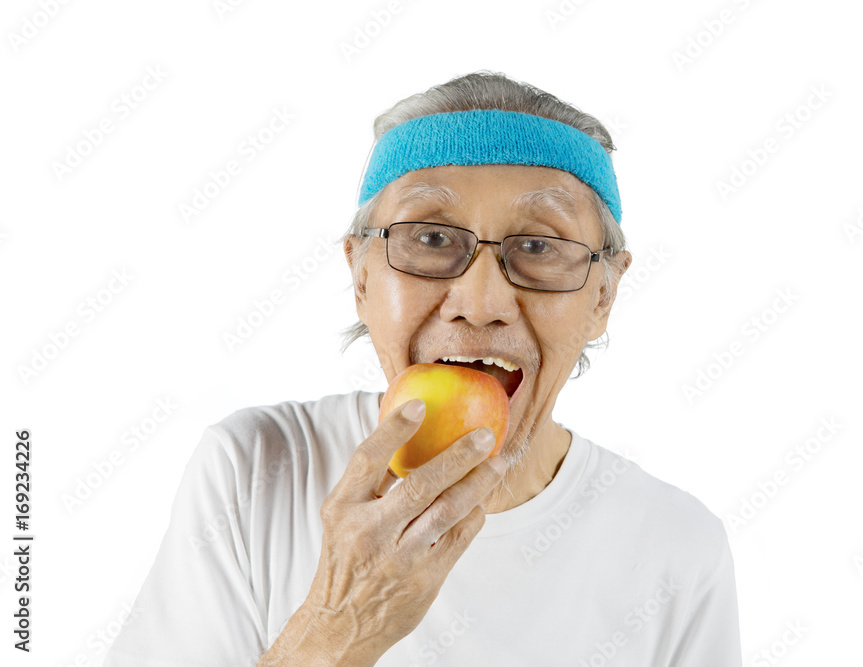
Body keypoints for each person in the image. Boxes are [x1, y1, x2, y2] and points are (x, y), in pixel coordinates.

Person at [104, 71, 742, 667]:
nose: (480, 303)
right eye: (431, 239)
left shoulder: (678, 549)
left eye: (540, 246)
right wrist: (337, 625)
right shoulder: (254, 470)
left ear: (603, 295)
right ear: (359, 275)